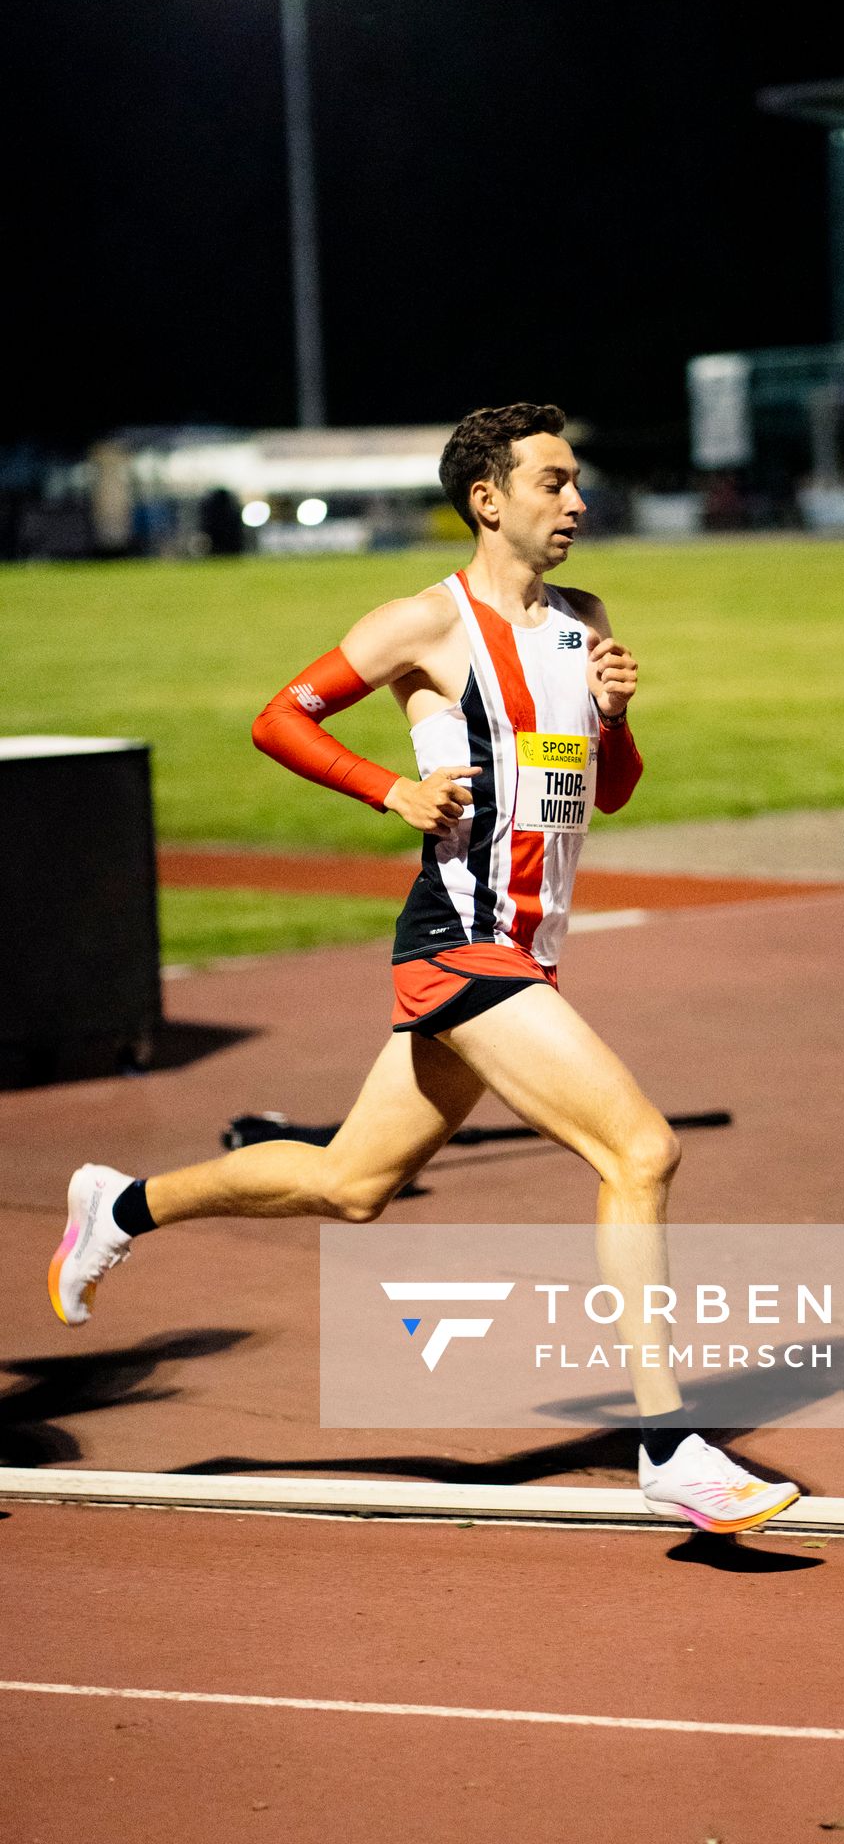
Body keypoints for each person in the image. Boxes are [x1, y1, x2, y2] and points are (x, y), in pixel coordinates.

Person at [48, 402, 798, 1535]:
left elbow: (611, 791)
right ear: (488, 500)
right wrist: (385, 788)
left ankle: (122, 1204)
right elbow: (279, 718)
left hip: (523, 952)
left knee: (352, 1185)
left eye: (577, 483)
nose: (577, 503)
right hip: (461, 943)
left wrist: (617, 718)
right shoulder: (423, 624)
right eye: (553, 483)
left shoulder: (585, 621)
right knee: (640, 1149)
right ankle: (668, 1446)